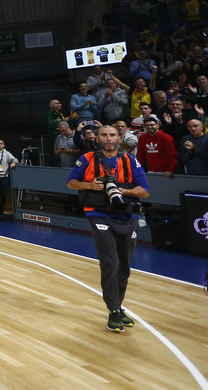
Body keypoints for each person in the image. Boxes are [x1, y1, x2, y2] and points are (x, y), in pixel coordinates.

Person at [67, 124, 150, 333]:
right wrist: (90, 185)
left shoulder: (129, 160)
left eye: (112, 135)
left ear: (119, 138)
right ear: (97, 138)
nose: (109, 138)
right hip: (99, 214)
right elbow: (71, 182)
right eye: (104, 135)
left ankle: (118, 306)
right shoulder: (87, 159)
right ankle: (113, 310)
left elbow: (144, 191)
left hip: (127, 216)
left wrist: (122, 191)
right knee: (110, 262)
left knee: (124, 267)